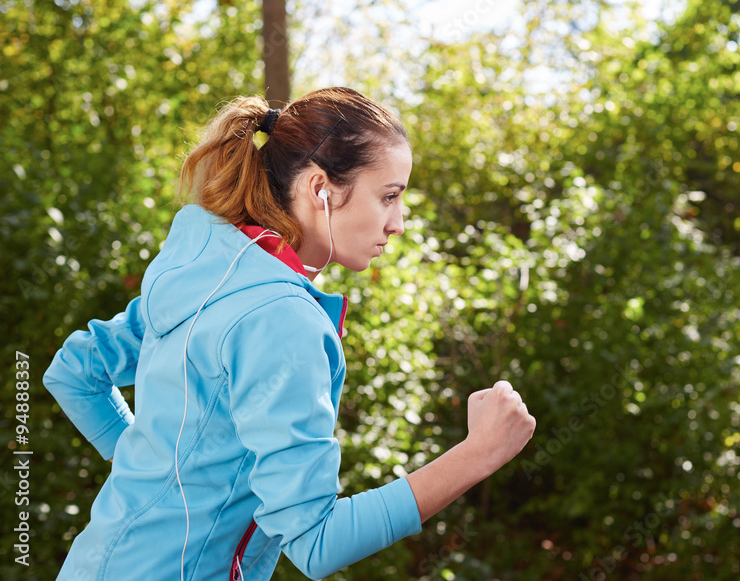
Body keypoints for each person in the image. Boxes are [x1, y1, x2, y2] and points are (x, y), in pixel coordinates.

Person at [43, 87, 536, 580]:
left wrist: (155, 480)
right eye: (389, 196)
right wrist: (479, 453)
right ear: (321, 188)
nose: (398, 223)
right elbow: (317, 543)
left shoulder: (210, 264)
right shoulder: (281, 316)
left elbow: (75, 372)